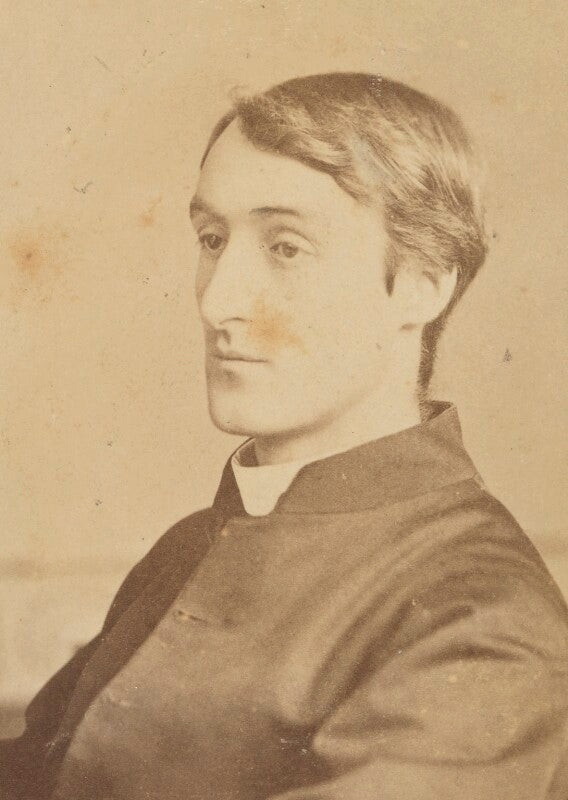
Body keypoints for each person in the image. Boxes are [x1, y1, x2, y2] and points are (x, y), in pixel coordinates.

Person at [2, 72, 567, 799]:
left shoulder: (482, 621)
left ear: (424, 283)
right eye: (212, 239)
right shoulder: (190, 547)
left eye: (287, 248)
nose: (218, 300)